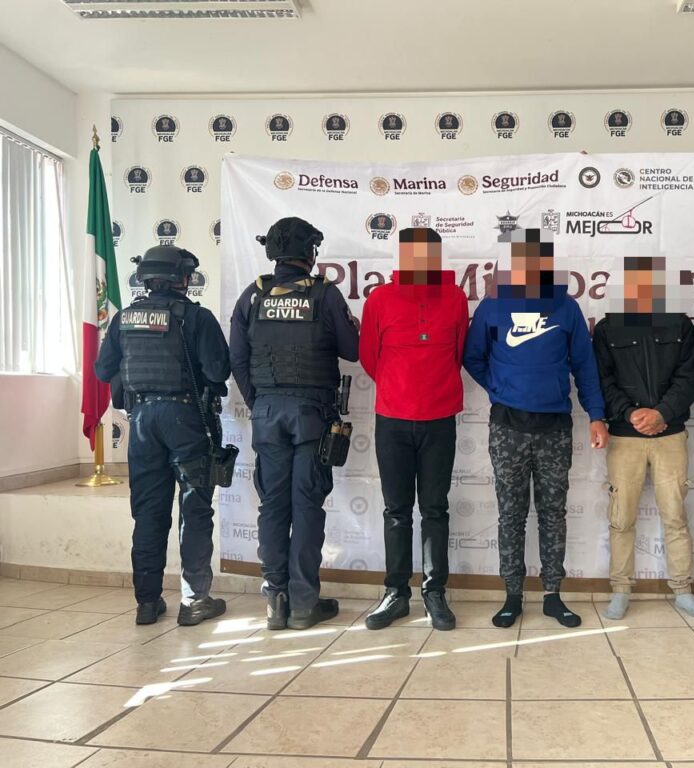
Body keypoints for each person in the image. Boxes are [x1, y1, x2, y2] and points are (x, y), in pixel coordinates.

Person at [464, 227, 608, 628]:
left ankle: (552, 594)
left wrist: (596, 415)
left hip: (554, 427)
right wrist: (500, 388)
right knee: (511, 514)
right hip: (508, 426)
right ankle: (512, 594)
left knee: (552, 513)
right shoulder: (493, 307)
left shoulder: (567, 308)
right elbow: (473, 357)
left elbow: (585, 366)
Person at [229, 217, 359, 631]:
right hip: (312, 417)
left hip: (267, 416)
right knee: (306, 507)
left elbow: (237, 359)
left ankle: (276, 600)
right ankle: (303, 604)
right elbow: (353, 350)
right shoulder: (324, 294)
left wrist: (259, 403)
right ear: (309, 253)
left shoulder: (253, 295)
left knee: (272, 506)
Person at [95, 246, 230, 626]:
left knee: (149, 513)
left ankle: (147, 602)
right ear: (183, 278)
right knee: (194, 510)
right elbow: (219, 372)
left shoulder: (124, 318)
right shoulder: (196, 317)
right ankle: (194, 600)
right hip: (187, 419)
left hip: (141, 423)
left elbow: (103, 370)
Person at [359, 227, 469, 631]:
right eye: (413, 255)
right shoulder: (380, 299)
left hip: (439, 419)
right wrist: (400, 388)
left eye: (428, 255)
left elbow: (457, 353)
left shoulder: (455, 298)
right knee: (397, 510)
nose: (421, 262)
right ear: (402, 257)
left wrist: (429, 388)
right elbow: (369, 357)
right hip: (392, 419)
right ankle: (396, 593)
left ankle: (434, 591)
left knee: (435, 508)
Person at [593, 256, 694, 620]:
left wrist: (661, 413)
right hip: (624, 436)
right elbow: (603, 381)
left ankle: (683, 590)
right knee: (621, 517)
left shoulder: (680, 325)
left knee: (675, 515)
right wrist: (630, 414)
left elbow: (688, 378)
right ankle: (620, 590)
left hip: (669, 434)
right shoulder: (608, 329)